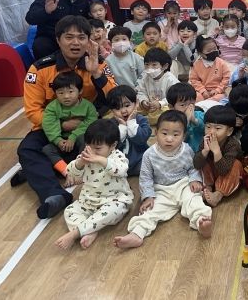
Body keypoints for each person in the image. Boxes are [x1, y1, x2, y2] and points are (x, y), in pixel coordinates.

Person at [13, 15, 117, 219]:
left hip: (88, 125)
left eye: (81, 37)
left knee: (113, 144)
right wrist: (61, 126)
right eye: (69, 37)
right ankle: (54, 194)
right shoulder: (40, 68)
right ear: (58, 40)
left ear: (89, 41)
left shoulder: (98, 64)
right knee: (27, 149)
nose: (76, 42)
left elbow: (115, 99)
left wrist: (96, 73)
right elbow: (33, 110)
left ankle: (42, 167)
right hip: (51, 127)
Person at [113, 110, 213, 249]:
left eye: (175, 135)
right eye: (164, 133)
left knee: (194, 200)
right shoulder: (149, 154)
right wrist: (148, 196)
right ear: (156, 132)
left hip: (183, 185)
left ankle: (202, 222)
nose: (169, 139)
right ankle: (137, 234)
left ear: (184, 136)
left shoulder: (186, 150)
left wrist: (194, 180)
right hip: (161, 190)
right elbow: (146, 177)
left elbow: (193, 168)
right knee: (149, 212)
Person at [54, 119, 134, 250]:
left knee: (113, 211)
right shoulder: (85, 157)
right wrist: (80, 163)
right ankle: (90, 231)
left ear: (113, 145)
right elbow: (71, 172)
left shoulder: (117, 157)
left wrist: (101, 160)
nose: (92, 151)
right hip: (88, 201)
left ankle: (76, 233)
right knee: (70, 211)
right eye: (88, 146)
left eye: (98, 148)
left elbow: (121, 170)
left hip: (114, 200)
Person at [25, 0, 92, 59]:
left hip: (74, 40)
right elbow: (29, 19)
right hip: (50, 39)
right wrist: (45, 11)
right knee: (40, 45)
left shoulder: (83, 1)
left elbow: (87, 23)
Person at [41, 71, 98, 178]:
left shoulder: (88, 106)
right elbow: (49, 125)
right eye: (61, 93)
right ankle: (66, 172)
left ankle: (81, 168)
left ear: (80, 91)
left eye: (71, 91)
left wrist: (73, 137)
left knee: (85, 140)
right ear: (55, 93)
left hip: (79, 141)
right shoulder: (52, 108)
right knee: (47, 149)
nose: (66, 96)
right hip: (62, 142)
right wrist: (58, 140)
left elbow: (91, 124)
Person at [193, 105, 243, 207]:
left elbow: (223, 171)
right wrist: (205, 151)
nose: (211, 132)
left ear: (229, 131)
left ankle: (218, 195)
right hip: (213, 174)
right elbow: (196, 165)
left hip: (228, 176)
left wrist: (216, 152)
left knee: (236, 164)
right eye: (208, 127)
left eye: (218, 128)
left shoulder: (233, 145)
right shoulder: (205, 141)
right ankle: (208, 188)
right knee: (203, 159)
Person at [106, 85, 151, 176]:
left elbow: (141, 139)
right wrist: (122, 127)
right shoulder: (110, 124)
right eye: (117, 108)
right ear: (112, 111)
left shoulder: (141, 120)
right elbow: (110, 145)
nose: (123, 111)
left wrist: (131, 123)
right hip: (118, 163)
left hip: (140, 160)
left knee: (152, 164)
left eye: (127, 105)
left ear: (136, 103)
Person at [137, 47, 178, 125]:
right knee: (135, 107)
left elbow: (174, 97)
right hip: (150, 107)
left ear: (165, 66)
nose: (149, 68)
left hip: (164, 107)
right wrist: (143, 101)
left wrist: (160, 103)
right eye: (147, 65)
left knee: (169, 110)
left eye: (154, 65)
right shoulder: (145, 76)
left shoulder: (170, 79)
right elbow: (141, 91)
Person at [189, 36, 231, 102]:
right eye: (209, 50)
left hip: (218, 92)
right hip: (202, 92)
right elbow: (194, 80)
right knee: (196, 97)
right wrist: (203, 91)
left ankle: (207, 103)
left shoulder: (221, 63)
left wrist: (218, 90)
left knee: (220, 98)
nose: (213, 52)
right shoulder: (197, 64)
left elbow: (227, 78)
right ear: (200, 53)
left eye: (215, 49)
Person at [167, 82, 206, 152]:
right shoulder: (170, 121)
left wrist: (194, 120)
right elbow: (178, 140)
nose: (188, 108)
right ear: (171, 107)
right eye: (183, 105)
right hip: (182, 154)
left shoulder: (200, 114)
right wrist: (186, 121)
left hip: (200, 152)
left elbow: (206, 129)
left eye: (192, 104)